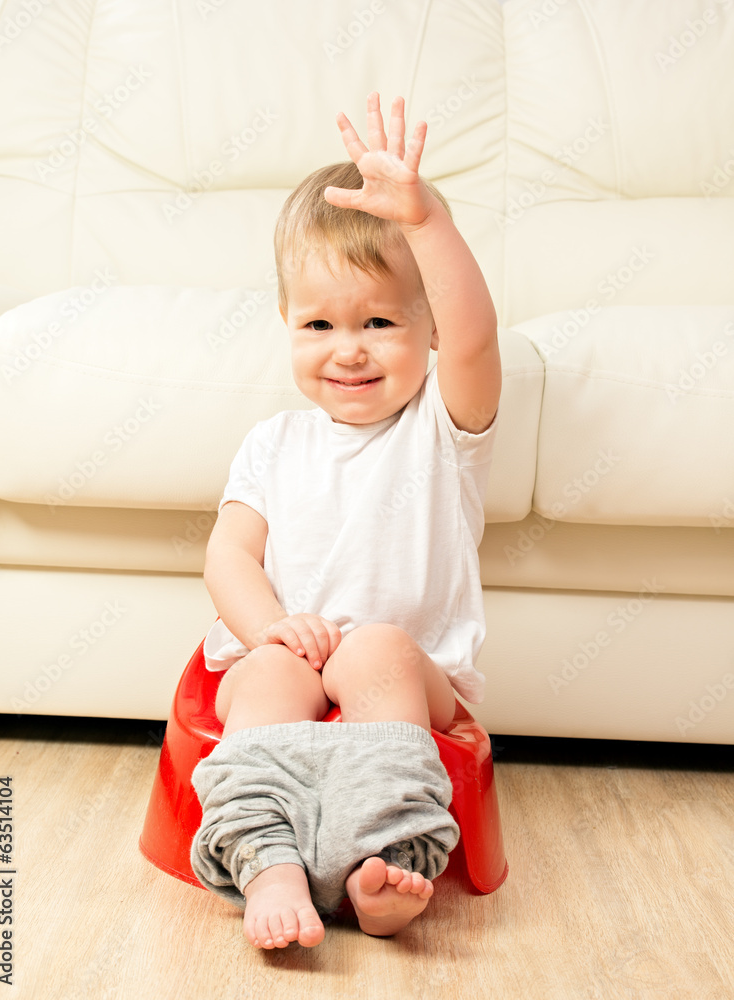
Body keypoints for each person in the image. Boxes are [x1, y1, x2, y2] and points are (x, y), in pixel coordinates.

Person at [190, 92, 501, 950]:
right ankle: (268, 862)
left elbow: (476, 340)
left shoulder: (442, 423)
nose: (348, 347)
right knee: (257, 680)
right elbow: (229, 554)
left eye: (380, 321)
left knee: (375, 650)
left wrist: (426, 219)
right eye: (318, 323)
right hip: (297, 647)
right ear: (287, 325)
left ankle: (384, 863)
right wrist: (272, 628)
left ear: (427, 328)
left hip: (411, 669)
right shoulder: (274, 441)